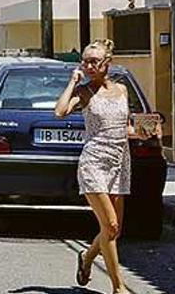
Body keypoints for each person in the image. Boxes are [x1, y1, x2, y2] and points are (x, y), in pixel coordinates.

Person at [55, 39, 132, 294]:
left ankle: (87, 258)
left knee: (114, 230)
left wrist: (142, 132)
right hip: (94, 163)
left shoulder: (122, 90)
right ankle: (118, 287)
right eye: (85, 61)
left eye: (93, 61)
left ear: (107, 63)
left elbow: (125, 127)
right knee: (109, 225)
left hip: (120, 162)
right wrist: (73, 82)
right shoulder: (84, 92)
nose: (88, 66)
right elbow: (60, 111)